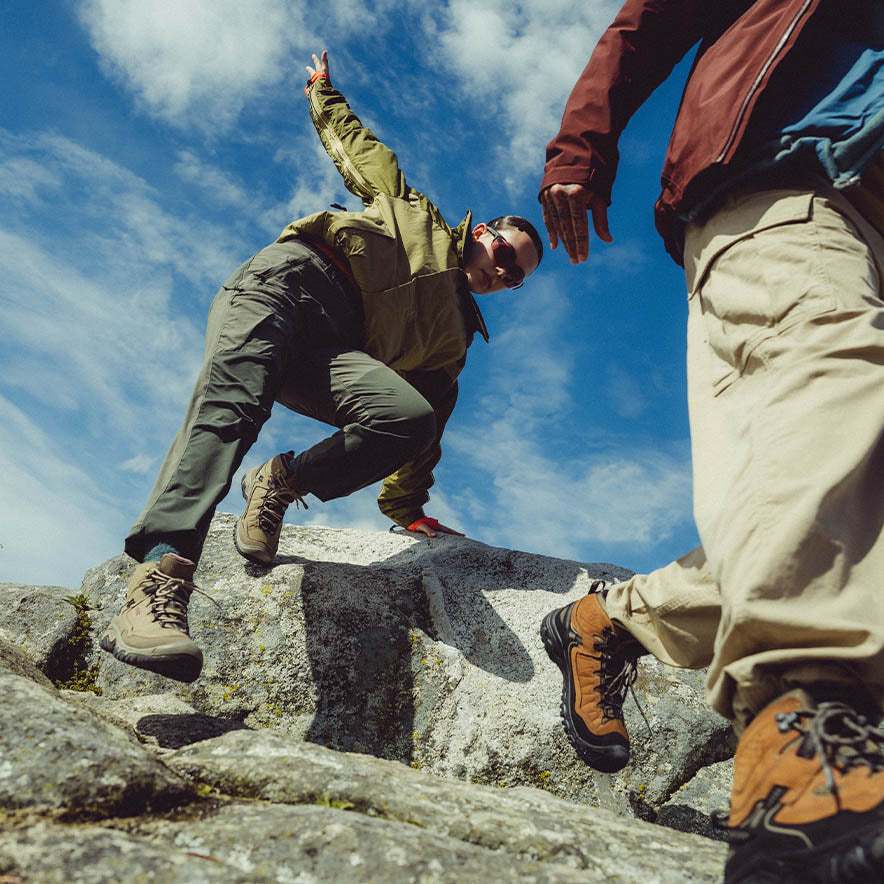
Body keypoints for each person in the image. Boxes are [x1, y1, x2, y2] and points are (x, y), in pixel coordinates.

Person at [537, 2, 884, 881]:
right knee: (838, 380)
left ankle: (611, 618)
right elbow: (644, 23)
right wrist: (582, 147)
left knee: (847, 483)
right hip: (792, 185)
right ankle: (802, 741)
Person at [100, 50, 541, 687]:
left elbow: (425, 431)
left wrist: (407, 510)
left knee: (408, 415)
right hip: (289, 287)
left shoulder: (454, 341)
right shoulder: (411, 207)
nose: (502, 272)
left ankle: (278, 482)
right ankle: (157, 583)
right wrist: (321, 90)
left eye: (515, 277)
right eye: (504, 253)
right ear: (480, 232)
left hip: (329, 354)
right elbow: (355, 145)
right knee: (230, 415)